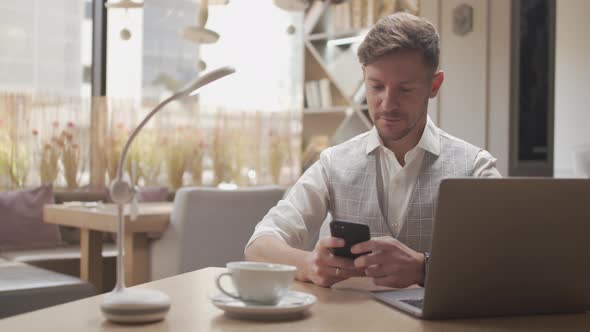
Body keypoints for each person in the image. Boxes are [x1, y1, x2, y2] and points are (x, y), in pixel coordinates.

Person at [244, 12, 501, 288]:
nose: (387, 103)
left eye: (405, 89)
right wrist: (307, 264)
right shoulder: (333, 163)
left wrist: (423, 267)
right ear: (364, 77)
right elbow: (258, 246)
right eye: (376, 86)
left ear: (434, 86)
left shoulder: (475, 168)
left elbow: (509, 259)